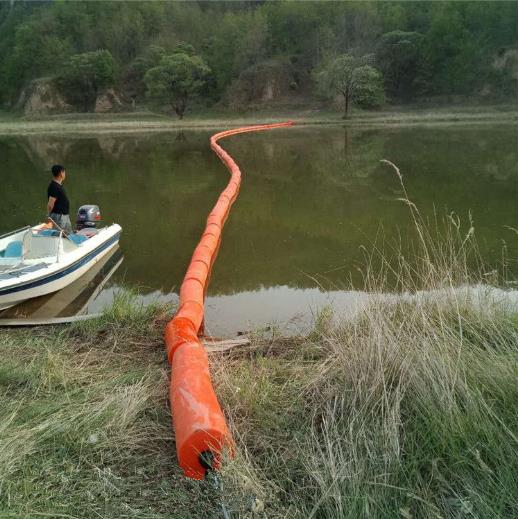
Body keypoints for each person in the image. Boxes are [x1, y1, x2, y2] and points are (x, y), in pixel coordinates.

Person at [47, 164, 72, 234]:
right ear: (61, 173)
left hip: (64, 216)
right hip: (59, 217)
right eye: (64, 172)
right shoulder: (54, 186)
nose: (65, 174)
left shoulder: (58, 185)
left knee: (68, 234)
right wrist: (49, 216)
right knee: (58, 235)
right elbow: (50, 204)